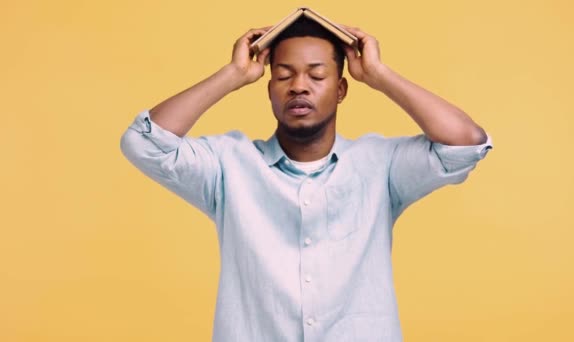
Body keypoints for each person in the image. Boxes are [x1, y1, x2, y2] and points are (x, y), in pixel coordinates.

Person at [120, 16, 492, 342]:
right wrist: (231, 75)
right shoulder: (228, 166)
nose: (299, 86)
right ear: (269, 90)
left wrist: (379, 75)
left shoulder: (381, 165)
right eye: (283, 75)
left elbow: (465, 143)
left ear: (341, 89)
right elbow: (144, 142)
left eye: (316, 75)